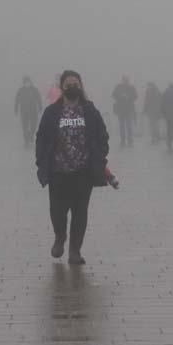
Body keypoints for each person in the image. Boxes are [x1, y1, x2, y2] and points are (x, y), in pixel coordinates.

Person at [36, 70, 110, 265]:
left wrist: (100, 157)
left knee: (80, 212)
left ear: (81, 86)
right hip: (58, 172)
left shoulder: (90, 111)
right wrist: (41, 161)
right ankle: (60, 237)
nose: (72, 86)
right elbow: (41, 138)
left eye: (75, 83)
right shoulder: (52, 112)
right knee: (57, 212)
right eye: (68, 83)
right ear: (62, 87)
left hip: (83, 173)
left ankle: (75, 250)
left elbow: (102, 135)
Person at [14, 75, 43, 147]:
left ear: (30, 82)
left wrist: (40, 107)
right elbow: (17, 100)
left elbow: (39, 98)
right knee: (25, 126)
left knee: (34, 125)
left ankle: (31, 135)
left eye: (28, 82)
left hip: (33, 111)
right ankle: (26, 140)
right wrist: (16, 109)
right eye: (25, 82)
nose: (27, 84)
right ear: (23, 83)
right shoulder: (21, 90)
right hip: (24, 111)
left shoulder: (34, 89)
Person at [112, 75, 138, 147]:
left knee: (128, 126)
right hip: (122, 109)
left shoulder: (130, 87)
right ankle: (124, 140)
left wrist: (129, 97)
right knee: (123, 126)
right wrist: (120, 96)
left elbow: (135, 96)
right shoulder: (119, 87)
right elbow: (114, 95)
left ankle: (129, 140)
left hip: (127, 109)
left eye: (126, 80)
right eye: (124, 80)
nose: (125, 81)